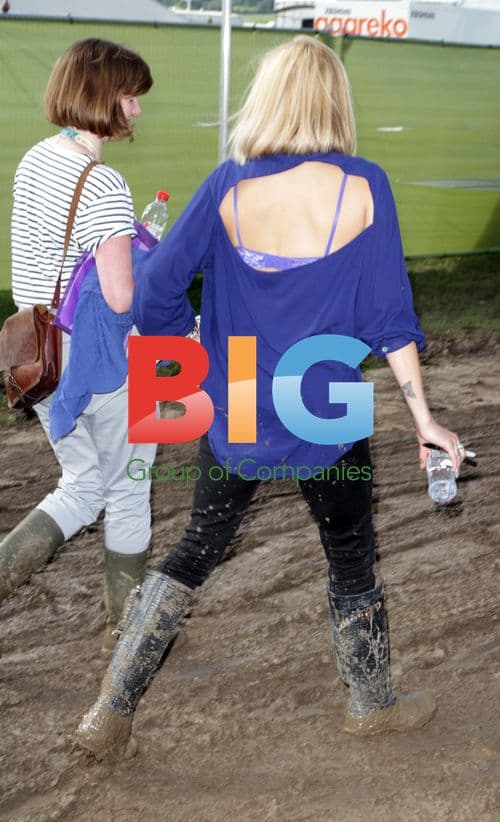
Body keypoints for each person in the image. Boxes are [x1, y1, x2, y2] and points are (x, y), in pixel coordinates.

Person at [75, 36, 464, 760]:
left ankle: (110, 709)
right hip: (328, 405)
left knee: (198, 546)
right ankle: (370, 704)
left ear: (269, 99)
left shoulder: (229, 184)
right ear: (335, 102)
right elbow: (390, 319)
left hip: (239, 402)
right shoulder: (366, 185)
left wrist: (190, 348)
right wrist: (424, 420)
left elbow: (156, 290)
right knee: (350, 553)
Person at [0, 38, 157, 655]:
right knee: (128, 488)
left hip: (35, 357)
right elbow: (121, 297)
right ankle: (129, 636)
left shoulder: (35, 159)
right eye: (129, 97)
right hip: (99, 365)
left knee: (83, 484)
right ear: (102, 95)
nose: (136, 110)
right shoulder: (105, 184)